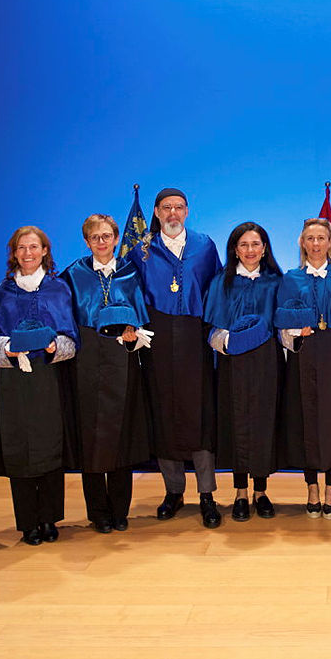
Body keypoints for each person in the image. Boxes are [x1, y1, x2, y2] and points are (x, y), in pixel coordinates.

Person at [127, 188, 224, 528]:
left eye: (178, 208)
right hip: (159, 337)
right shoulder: (141, 249)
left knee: (200, 416)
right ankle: (173, 491)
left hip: (196, 338)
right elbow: (130, 292)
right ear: (155, 212)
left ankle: (207, 494)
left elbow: (219, 289)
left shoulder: (205, 245)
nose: (172, 213)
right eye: (166, 208)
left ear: (187, 211)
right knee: (164, 412)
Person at [61, 214, 153, 534]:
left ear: (116, 239)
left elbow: (141, 321)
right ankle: (98, 511)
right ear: (86, 242)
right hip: (85, 363)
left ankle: (119, 508)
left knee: (121, 436)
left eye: (107, 236)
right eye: (95, 237)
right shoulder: (73, 275)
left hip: (121, 362)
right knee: (91, 439)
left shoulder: (130, 273)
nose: (101, 242)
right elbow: (65, 320)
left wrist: (132, 336)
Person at [0, 226, 78, 545]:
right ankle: (28, 521)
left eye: (34, 247)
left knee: (49, 445)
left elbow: (71, 336)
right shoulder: (1, 292)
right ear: (14, 253)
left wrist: (57, 346)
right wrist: (7, 349)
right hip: (13, 381)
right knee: (19, 447)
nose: (28, 253)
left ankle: (50, 518)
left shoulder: (59, 290)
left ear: (45, 251)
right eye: (21, 248)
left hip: (48, 378)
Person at [276, 218, 331, 519]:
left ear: (330, 243)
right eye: (310, 238)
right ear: (302, 242)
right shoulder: (290, 279)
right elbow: (281, 327)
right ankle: (311, 488)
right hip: (302, 358)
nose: (315, 244)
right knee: (306, 423)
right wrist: (294, 334)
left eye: (321, 238)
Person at [203, 222, 284, 522]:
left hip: (266, 364)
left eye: (256, 244)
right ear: (234, 249)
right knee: (236, 424)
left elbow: (283, 326)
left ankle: (260, 492)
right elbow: (210, 328)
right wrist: (228, 342)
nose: (250, 251)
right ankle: (239, 492)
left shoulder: (277, 282)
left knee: (263, 425)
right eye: (244, 245)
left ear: (265, 248)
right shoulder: (220, 282)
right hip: (232, 363)